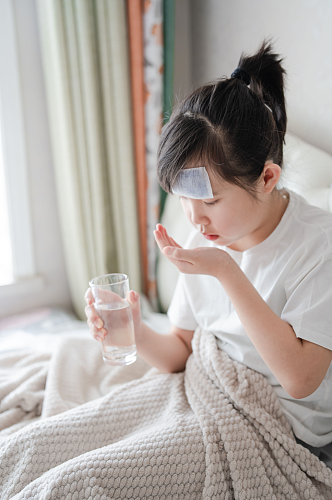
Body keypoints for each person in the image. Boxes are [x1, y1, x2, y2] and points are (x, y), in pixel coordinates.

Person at [85, 41, 332, 467]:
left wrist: (227, 273)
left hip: (282, 433)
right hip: (210, 390)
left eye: (211, 201)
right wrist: (134, 330)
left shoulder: (317, 245)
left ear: (267, 176)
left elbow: (300, 380)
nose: (195, 220)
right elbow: (181, 350)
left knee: (88, 478)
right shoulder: (209, 238)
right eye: (183, 199)